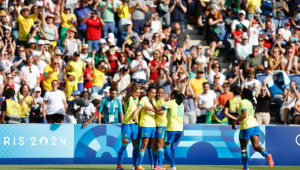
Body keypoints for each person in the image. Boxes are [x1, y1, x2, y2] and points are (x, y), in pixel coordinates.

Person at [232, 88, 274, 170]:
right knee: (256, 146)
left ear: (244, 95)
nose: (240, 94)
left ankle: (246, 168)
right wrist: (238, 111)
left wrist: (235, 122)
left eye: (241, 93)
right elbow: (246, 114)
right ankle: (267, 155)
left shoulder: (243, 102)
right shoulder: (251, 103)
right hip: (255, 125)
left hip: (246, 126)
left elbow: (244, 115)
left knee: (243, 149)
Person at [149, 90, 185, 170]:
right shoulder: (181, 103)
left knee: (165, 146)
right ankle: (171, 164)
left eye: (170, 94)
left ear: (173, 96)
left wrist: (152, 103)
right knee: (171, 145)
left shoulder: (171, 102)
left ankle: (172, 165)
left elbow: (158, 109)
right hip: (180, 129)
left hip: (172, 128)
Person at [132, 85, 157, 170]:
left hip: (153, 125)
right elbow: (138, 109)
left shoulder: (154, 100)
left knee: (153, 146)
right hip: (145, 125)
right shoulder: (144, 99)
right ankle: (139, 165)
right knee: (144, 144)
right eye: (152, 92)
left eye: (155, 93)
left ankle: (154, 165)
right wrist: (134, 116)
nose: (153, 94)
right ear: (148, 93)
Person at [117, 85, 140, 170]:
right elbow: (126, 97)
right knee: (124, 145)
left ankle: (135, 165)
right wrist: (132, 90)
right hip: (127, 124)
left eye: (138, 93)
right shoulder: (128, 99)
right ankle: (119, 165)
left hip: (135, 125)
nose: (137, 94)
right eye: (136, 92)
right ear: (132, 92)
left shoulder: (137, 99)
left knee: (136, 146)